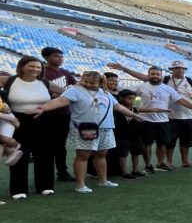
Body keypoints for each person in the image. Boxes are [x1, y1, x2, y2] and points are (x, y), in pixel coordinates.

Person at [32, 70, 140, 193]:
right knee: (83, 155)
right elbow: (61, 101)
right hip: (84, 128)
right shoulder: (74, 90)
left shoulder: (105, 92)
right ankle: (80, 184)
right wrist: (43, 108)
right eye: (85, 81)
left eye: (92, 83)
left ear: (100, 82)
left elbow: (118, 107)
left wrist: (134, 115)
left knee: (102, 154)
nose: (88, 84)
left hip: (106, 128)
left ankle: (103, 180)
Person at [106, 63, 192, 173]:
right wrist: (109, 86)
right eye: (152, 74)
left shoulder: (167, 88)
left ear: (161, 75)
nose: (155, 76)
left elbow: (181, 100)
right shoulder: (141, 86)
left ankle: (160, 163)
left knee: (162, 143)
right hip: (146, 120)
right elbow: (124, 92)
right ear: (148, 75)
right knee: (147, 143)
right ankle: (148, 165)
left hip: (163, 120)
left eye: (157, 74)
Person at [3, 56, 62, 199]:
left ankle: (45, 186)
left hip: (43, 120)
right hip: (17, 121)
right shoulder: (9, 80)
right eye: (31, 66)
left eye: (38, 67)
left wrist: (46, 107)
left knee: (45, 153)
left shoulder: (45, 83)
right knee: (19, 153)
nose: (35, 69)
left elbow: (65, 94)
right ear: (22, 66)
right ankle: (18, 189)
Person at [40, 46, 77, 182]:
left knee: (61, 145)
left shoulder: (64, 72)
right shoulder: (42, 72)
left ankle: (62, 172)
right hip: (47, 113)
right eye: (56, 56)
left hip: (64, 113)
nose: (60, 59)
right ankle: (46, 173)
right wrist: (54, 95)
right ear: (46, 58)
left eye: (61, 56)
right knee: (47, 145)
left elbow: (76, 86)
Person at [113, 88, 145, 178]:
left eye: (133, 99)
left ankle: (135, 170)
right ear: (121, 98)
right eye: (129, 98)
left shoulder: (134, 109)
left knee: (136, 152)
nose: (132, 101)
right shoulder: (117, 110)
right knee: (123, 153)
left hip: (135, 134)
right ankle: (125, 172)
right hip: (122, 135)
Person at [0, 88, 23, 167]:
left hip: (5, 121)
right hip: (5, 120)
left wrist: (12, 119)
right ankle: (12, 151)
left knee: (4, 138)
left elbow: (7, 110)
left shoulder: (2, 97)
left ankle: (13, 147)